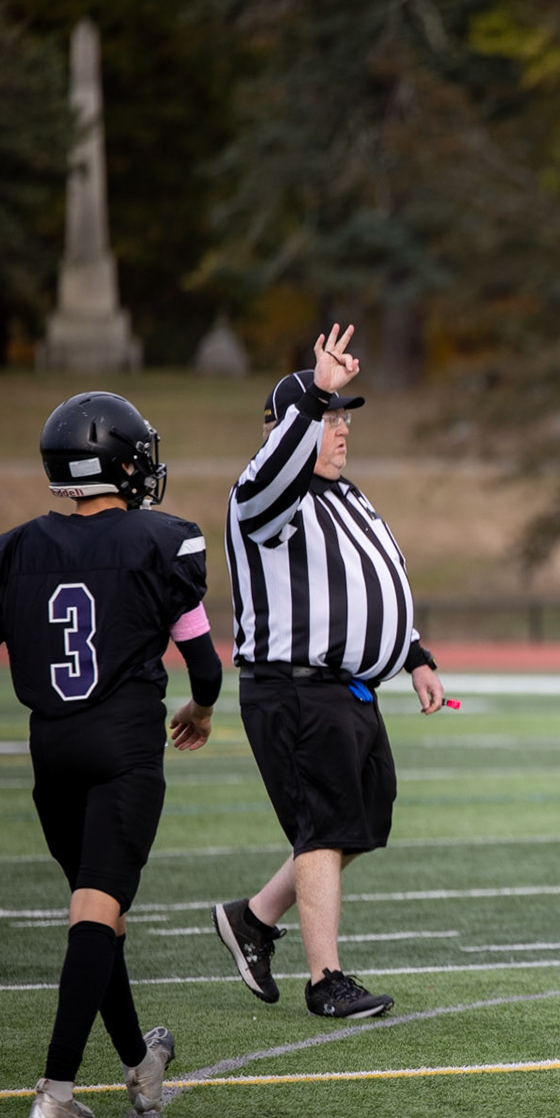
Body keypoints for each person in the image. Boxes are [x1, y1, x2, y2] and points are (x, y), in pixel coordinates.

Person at [0, 393, 213, 1118]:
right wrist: (201, 709)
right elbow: (205, 663)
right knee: (94, 914)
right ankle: (56, 1091)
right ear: (118, 465)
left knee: (100, 917)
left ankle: (140, 1062)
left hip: (53, 753)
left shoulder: (12, 549)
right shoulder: (160, 541)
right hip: (122, 748)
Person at [210, 325, 446, 1020]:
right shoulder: (265, 497)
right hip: (294, 684)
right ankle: (326, 978)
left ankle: (253, 919)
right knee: (323, 823)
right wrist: (312, 394)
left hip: (347, 688)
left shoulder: (344, 492)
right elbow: (269, 476)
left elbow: (375, 582)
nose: (341, 430)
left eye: (344, 417)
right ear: (291, 427)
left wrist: (414, 653)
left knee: (363, 817)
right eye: (330, 418)